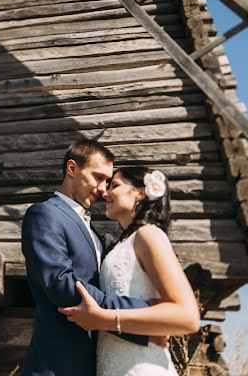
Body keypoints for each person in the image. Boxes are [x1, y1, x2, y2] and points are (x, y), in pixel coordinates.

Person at [21, 139, 154, 376]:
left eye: (108, 181)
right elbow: (61, 284)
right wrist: (139, 316)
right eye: (98, 177)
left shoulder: (93, 233)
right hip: (56, 366)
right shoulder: (44, 214)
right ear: (72, 168)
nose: (104, 189)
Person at [58, 166, 200, 376]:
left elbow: (187, 316)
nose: (105, 192)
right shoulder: (122, 245)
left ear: (140, 192)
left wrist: (102, 319)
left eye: (115, 185)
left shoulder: (148, 235)